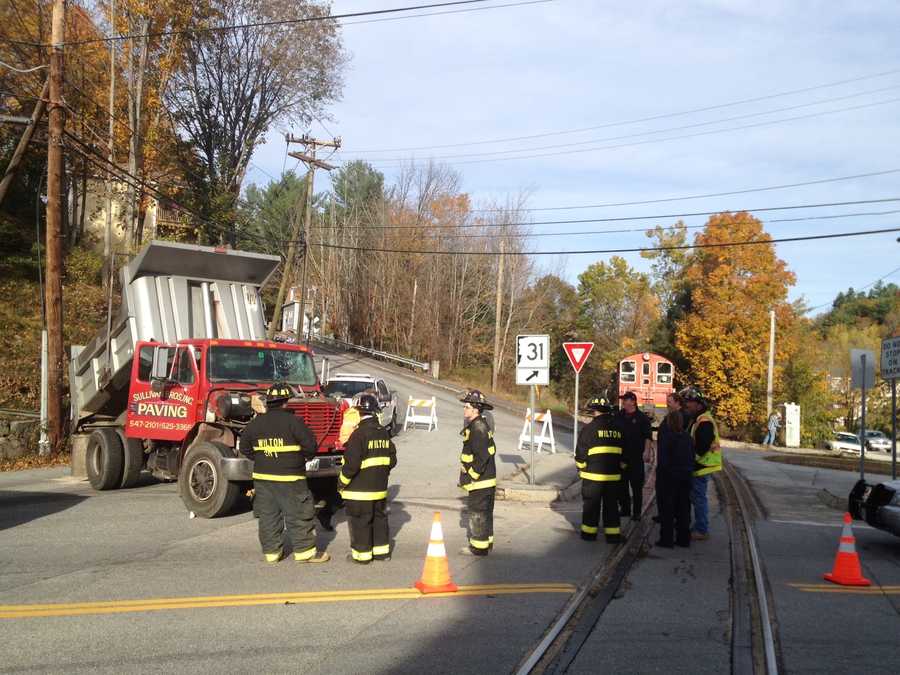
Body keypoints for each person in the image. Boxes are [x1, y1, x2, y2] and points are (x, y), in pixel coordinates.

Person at [240, 382, 330, 564]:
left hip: (263, 479)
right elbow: (310, 447)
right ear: (286, 402)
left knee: (268, 516)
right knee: (298, 514)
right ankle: (305, 552)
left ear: (268, 402)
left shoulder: (255, 424)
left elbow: (245, 448)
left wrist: (264, 459)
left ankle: (272, 553)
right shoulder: (294, 422)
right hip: (291, 478)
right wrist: (299, 459)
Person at [338, 393, 397, 564]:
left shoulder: (358, 435)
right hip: (379, 490)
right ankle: (382, 553)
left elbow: (351, 465)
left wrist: (341, 482)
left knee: (360, 521)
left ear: (358, 412)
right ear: (375, 412)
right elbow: (392, 460)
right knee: (379, 520)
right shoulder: (383, 433)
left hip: (359, 491)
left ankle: (361, 556)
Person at [574, 396, 625, 543]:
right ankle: (613, 536)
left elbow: (580, 455)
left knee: (591, 506)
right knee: (612, 507)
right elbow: (625, 454)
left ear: (594, 411)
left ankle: (589, 535)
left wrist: (581, 469)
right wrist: (620, 469)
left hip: (592, 478)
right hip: (613, 478)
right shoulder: (618, 429)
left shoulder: (589, 429)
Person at [679, 386, 722, 541]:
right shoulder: (698, 419)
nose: (687, 405)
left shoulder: (703, 421)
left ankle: (701, 529)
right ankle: (699, 526)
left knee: (699, 498)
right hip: (700, 465)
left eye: (689, 402)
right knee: (697, 497)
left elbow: (701, 448)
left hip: (702, 465)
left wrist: (690, 461)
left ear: (698, 404)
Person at [458, 389, 497, 556]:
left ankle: (479, 548)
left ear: (475, 409)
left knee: (478, 513)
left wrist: (472, 476)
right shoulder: (479, 425)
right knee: (485, 513)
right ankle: (486, 542)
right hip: (486, 480)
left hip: (480, 481)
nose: (464, 409)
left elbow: (482, 456)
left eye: (467, 407)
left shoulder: (478, 428)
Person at [655, 409, 694, 548]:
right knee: (683, 509)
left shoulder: (667, 438)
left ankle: (666, 539)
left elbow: (663, 460)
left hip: (668, 478)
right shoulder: (688, 438)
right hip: (685, 477)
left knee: (667, 510)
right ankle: (683, 539)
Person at [617, 391, 653, 519]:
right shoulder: (619, 415)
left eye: (625, 400)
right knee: (622, 485)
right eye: (622, 400)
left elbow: (648, 437)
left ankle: (637, 512)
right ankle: (625, 508)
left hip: (636, 457)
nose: (623, 403)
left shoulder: (642, 418)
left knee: (637, 486)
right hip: (621, 456)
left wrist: (647, 451)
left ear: (633, 401)